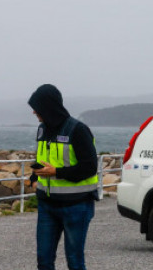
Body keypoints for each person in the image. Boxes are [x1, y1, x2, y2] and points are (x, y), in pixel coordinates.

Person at [28, 84, 98, 270]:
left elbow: (90, 168)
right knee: (43, 261)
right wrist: (34, 178)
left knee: (74, 262)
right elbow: (42, 159)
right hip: (47, 206)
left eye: (38, 107)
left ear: (49, 106)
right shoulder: (42, 129)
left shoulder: (78, 130)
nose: (34, 112)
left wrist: (56, 172)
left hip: (77, 206)